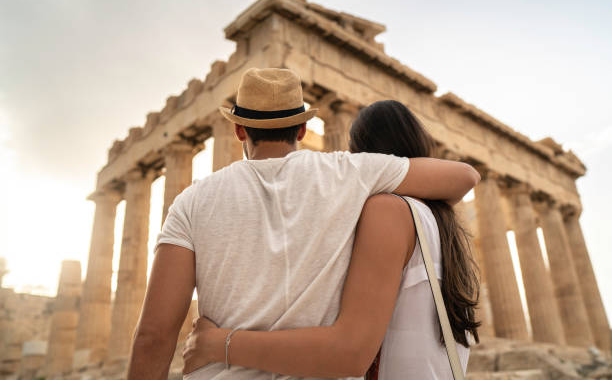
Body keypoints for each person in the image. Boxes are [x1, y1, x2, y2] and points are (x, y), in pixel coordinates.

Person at [127, 68, 480, 380]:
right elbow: (464, 176)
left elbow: (154, 336)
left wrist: (219, 344)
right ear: (303, 128)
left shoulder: (190, 201)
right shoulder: (348, 175)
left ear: (238, 130)